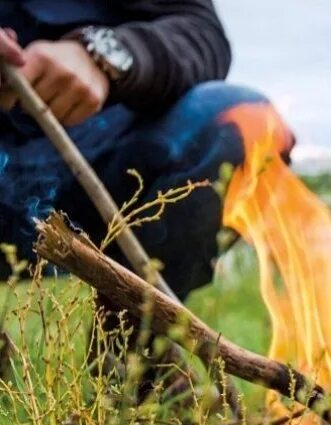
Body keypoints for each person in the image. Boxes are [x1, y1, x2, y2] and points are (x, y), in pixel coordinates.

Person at [0, 0, 293, 301]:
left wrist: (103, 53)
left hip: (103, 160)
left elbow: (200, 32)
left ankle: (129, 341)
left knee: (243, 122)